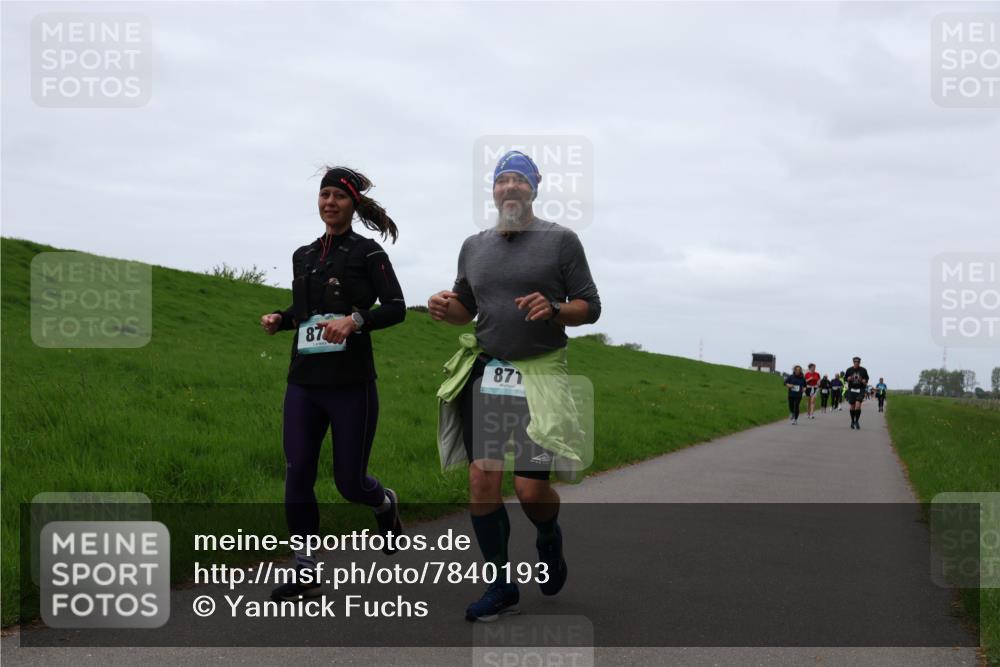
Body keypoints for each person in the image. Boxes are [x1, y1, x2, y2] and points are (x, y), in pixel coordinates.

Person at [428, 150, 601, 622]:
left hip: (539, 374)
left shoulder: (561, 241)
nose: (509, 188)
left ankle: (549, 539)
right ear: (493, 190)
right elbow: (467, 304)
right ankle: (501, 585)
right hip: (488, 370)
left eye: (518, 181)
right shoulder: (473, 245)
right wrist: (447, 308)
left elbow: (590, 306)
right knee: (482, 479)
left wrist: (555, 307)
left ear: (535, 187)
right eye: (501, 180)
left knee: (528, 491)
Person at [260, 166, 406, 601]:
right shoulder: (303, 255)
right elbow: (305, 311)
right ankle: (305, 571)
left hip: (350, 384)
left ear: (352, 203)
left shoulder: (369, 254)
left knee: (349, 482)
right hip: (304, 381)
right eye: (324, 195)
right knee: (297, 472)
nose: (329, 202)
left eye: (338, 197)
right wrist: (280, 319)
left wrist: (356, 319)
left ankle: (384, 504)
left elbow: (396, 307)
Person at [843, 356, 870, 429]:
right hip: (851, 389)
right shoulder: (849, 370)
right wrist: (848, 379)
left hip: (860, 389)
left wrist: (865, 381)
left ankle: (857, 421)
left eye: (858, 362)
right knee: (852, 407)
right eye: (855, 362)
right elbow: (845, 378)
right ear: (853, 362)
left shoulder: (863, 370)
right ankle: (852, 421)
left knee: (858, 406)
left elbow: (867, 378)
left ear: (860, 362)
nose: (856, 363)